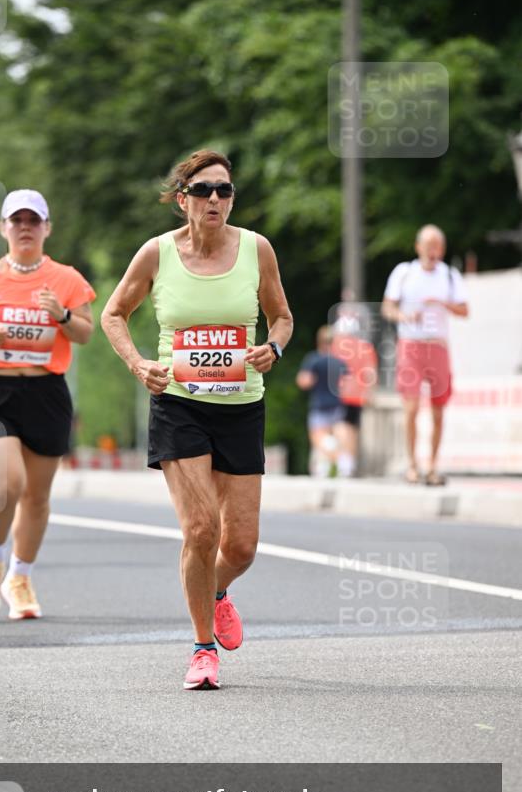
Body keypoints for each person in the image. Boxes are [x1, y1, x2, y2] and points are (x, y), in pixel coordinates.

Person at [101, 149, 293, 690]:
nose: (216, 199)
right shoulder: (156, 254)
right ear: (182, 198)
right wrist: (139, 363)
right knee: (201, 529)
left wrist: (272, 350)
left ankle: (212, 591)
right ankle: (202, 648)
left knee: (241, 547)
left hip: (241, 406)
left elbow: (282, 317)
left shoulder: (257, 250)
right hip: (179, 404)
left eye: (225, 191)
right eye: (205, 190)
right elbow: (113, 313)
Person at [0, 189, 95, 619]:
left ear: (47, 228)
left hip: (46, 393)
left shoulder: (66, 279)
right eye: (17, 220)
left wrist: (63, 316)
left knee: (36, 496)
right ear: (3, 228)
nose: (25, 227)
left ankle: (21, 576)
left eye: (34, 221)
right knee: (5, 483)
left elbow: (85, 332)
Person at [381, 224, 468, 485]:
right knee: (411, 408)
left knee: (439, 409)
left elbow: (465, 310)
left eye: (438, 247)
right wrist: (405, 316)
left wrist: (443, 304)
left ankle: (432, 465)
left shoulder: (449, 275)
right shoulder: (404, 273)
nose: (433, 252)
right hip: (411, 344)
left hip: (438, 345)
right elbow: (387, 308)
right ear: (418, 247)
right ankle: (412, 464)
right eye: (429, 246)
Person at [330, 309, 378, 478]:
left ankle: (345, 462)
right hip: (358, 394)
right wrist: (370, 391)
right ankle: (350, 463)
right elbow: (370, 372)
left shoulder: (336, 346)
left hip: (339, 392)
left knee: (340, 426)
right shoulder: (365, 347)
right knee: (352, 428)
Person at [296, 326, 349, 478]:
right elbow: (345, 384)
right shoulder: (339, 361)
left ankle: (337, 458)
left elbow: (304, 381)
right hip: (337, 404)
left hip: (319, 404)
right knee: (335, 432)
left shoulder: (313, 359)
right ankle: (328, 465)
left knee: (318, 438)